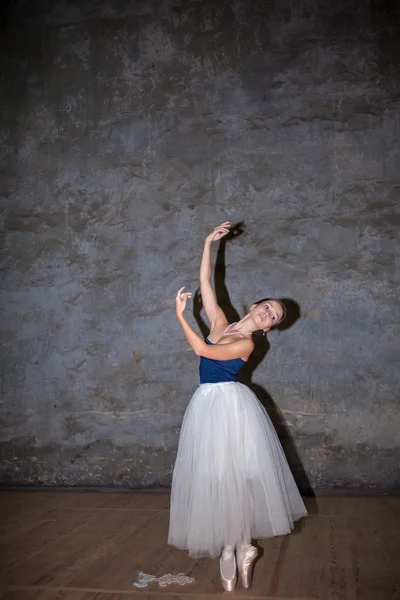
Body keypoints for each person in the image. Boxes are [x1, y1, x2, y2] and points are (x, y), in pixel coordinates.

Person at [168, 222, 307, 591]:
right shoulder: (221, 322)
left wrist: (180, 315)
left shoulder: (247, 344)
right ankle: (237, 547)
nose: (269, 314)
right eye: (267, 308)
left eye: (274, 317)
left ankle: (238, 545)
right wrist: (207, 244)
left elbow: (202, 350)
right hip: (206, 405)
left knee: (236, 477)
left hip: (231, 407)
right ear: (255, 306)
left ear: (270, 328)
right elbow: (208, 286)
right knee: (215, 476)